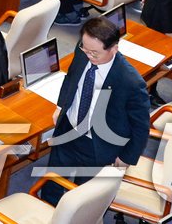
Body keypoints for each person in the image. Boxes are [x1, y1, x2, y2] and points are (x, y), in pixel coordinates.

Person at [39, 16, 150, 204]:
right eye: (85, 49)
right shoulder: (83, 49)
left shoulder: (130, 81)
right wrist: (61, 106)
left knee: (84, 199)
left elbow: (141, 126)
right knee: (52, 184)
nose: (88, 56)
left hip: (99, 144)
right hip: (68, 130)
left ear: (114, 48)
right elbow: (71, 78)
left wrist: (126, 157)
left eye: (95, 53)